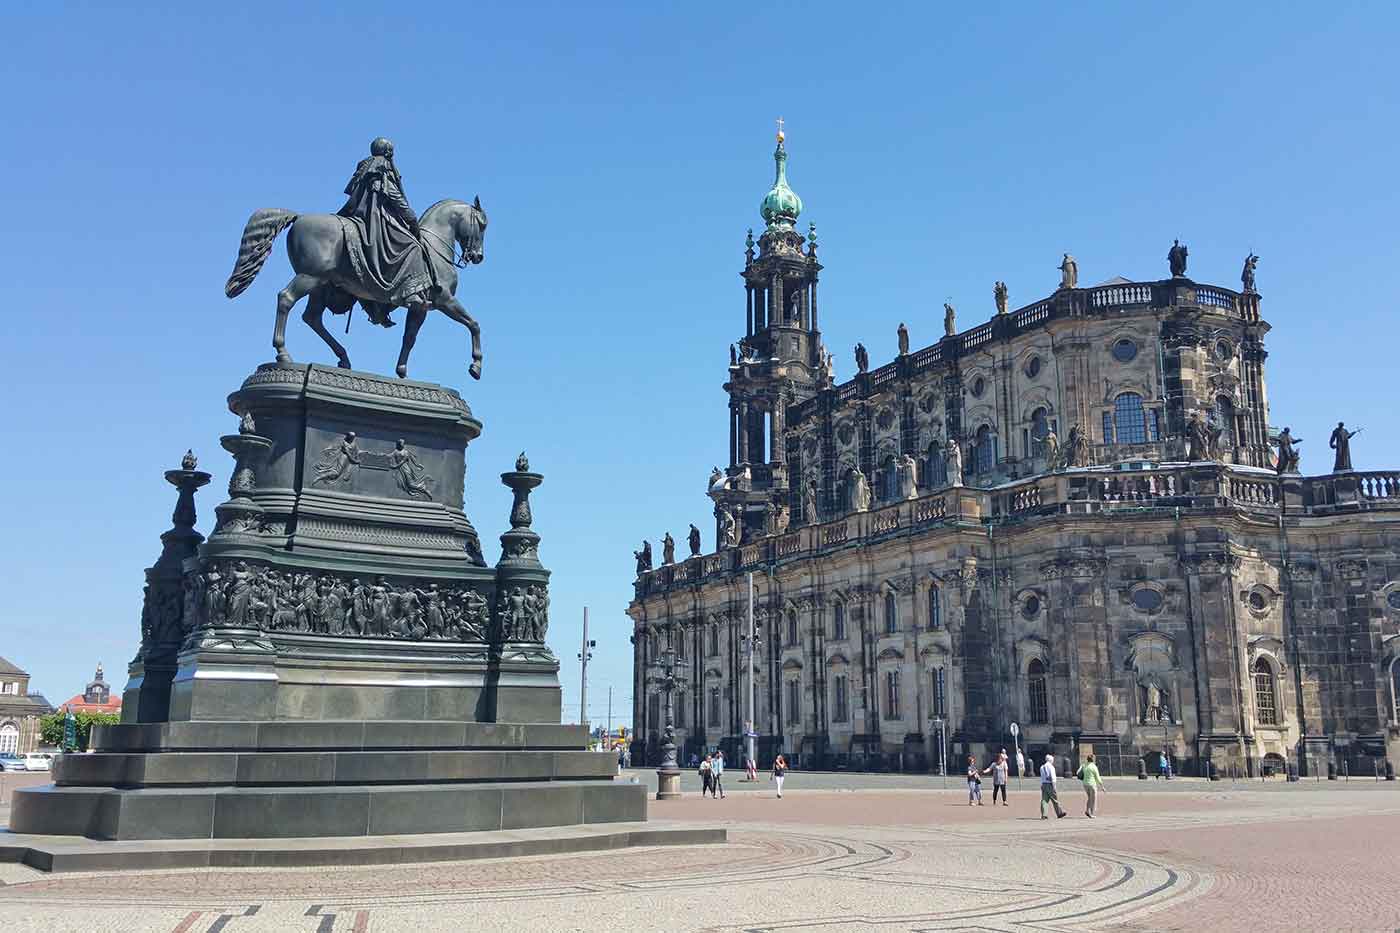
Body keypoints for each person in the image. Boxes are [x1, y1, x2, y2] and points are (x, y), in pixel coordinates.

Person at [1076, 753, 1105, 818]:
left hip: (1085, 784)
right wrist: (1102, 786)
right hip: (1092, 785)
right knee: (1093, 799)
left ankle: (1087, 810)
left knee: (1089, 798)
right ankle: (1091, 813)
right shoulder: (1094, 767)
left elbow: (1077, 772)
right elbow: (1098, 778)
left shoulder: (1084, 765)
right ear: (1093, 759)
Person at [1039, 753, 1067, 819]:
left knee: (1044, 800)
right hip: (1050, 784)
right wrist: (1054, 786)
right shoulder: (1051, 767)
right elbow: (1053, 777)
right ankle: (1059, 813)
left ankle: (1044, 814)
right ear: (1051, 760)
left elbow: (1042, 777)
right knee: (1055, 800)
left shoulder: (1042, 767)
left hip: (1044, 784)